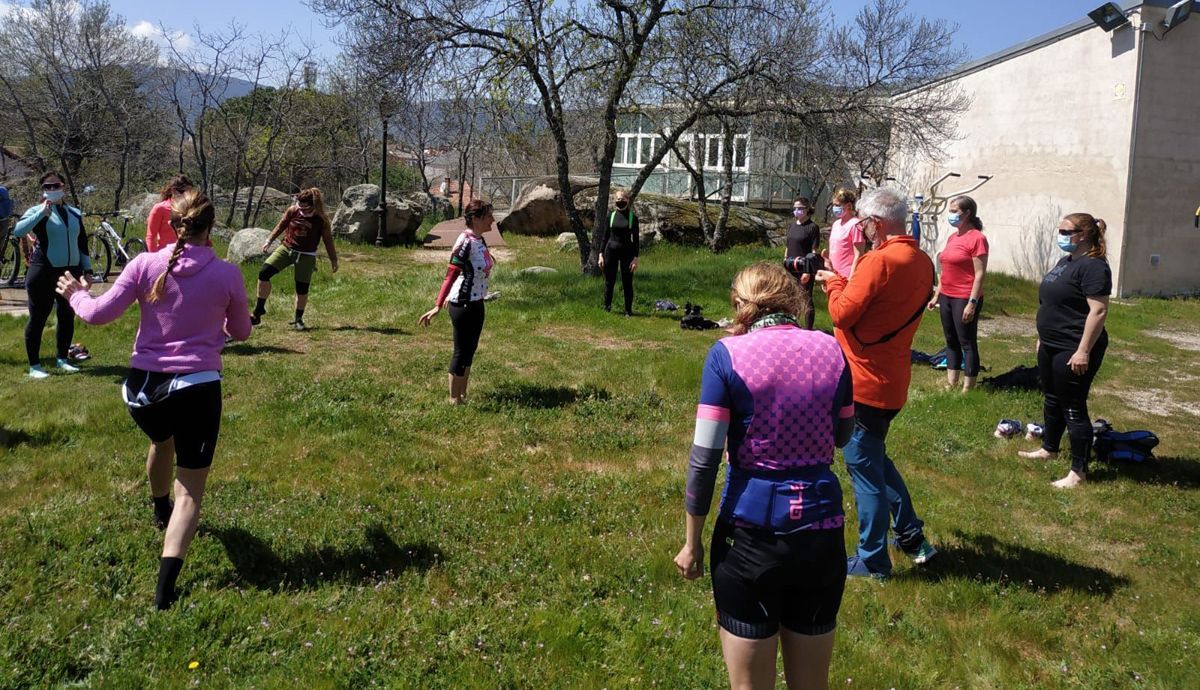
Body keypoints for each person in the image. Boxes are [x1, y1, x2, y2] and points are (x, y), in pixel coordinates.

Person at [56, 189, 252, 609]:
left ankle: (158, 508)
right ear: (211, 227)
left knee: (161, 441)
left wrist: (75, 292)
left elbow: (96, 314)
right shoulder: (227, 274)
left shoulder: (143, 264)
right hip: (196, 387)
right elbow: (242, 332)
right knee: (192, 491)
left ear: (171, 223)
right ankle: (164, 592)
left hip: (143, 391)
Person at [674, 262, 853, 690]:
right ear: (791, 301)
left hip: (750, 536)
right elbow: (844, 435)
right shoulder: (831, 349)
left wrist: (691, 542)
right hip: (820, 532)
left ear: (739, 305)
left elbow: (704, 459)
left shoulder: (726, 355)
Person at [814, 187, 936, 579]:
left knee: (864, 472)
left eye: (864, 223)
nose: (861, 230)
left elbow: (841, 315)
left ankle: (872, 559)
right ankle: (912, 535)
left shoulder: (877, 261)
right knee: (876, 460)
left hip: (863, 382)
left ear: (877, 223)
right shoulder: (922, 261)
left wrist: (833, 283)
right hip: (893, 380)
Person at [1018, 213, 1111, 489]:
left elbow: (1099, 310)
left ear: (1082, 235)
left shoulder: (1094, 267)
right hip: (1051, 344)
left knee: (1072, 404)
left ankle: (1078, 472)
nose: (1060, 234)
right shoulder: (1066, 262)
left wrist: (1083, 350)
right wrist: (1042, 337)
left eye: (1065, 230)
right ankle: (1049, 448)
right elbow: (1052, 302)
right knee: (1051, 398)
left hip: (1074, 347)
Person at [12, 171, 91, 379]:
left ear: (63, 186)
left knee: (66, 315)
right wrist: (41, 213)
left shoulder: (75, 213)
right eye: (48, 187)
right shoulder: (37, 211)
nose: (53, 190)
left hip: (70, 273)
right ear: (43, 190)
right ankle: (35, 366)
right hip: (43, 272)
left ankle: (62, 359)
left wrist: (88, 271)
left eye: (56, 186)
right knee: (38, 318)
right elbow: (18, 231)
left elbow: (82, 243)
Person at [419, 200, 496, 404]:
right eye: (489, 216)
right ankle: (454, 400)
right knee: (461, 351)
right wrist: (438, 304)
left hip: (477, 302)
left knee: (470, 349)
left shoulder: (479, 240)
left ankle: (462, 394)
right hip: (462, 304)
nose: (493, 220)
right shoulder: (465, 243)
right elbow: (451, 275)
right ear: (477, 219)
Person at [251, 188, 338, 331]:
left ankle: (298, 319)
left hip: (307, 255)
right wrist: (269, 240)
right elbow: (281, 225)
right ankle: (258, 311)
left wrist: (333, 260)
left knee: (301, 288)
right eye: (300, 206)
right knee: (264, 273)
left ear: (314, 205)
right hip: (287, 249)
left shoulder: (321, 219)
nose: (302, 210)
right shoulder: (293, 211)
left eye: (306, 208)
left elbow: (328, 240)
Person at [927, 195, 989, 392]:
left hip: (965, 296)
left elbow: (980, 274)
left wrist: (972, 302)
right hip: (947, 296)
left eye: (955, 211)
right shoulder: (953, 238)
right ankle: (951, 382)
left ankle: (968, 388)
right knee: (950, 339)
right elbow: (945, 270)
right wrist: (937, 295)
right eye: (950, 211)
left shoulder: (977, 238)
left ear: (967, 213)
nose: (951, 215)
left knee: (966, 341)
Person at [597, 188, 640, 316]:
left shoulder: (633, 218)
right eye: (618, 199)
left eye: (622, 199)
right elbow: (605, 237)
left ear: (627, 200)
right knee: (609, 281)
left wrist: (635, 258)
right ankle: (607, 308)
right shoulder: (611, 217)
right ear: (614, 201)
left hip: (627, 253)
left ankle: (628, 311)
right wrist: (600, 255)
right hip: (610, 251)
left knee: (627, 282)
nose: (620, 201)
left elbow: (636, 240)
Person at [784, 197, 822, 330]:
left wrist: (807, 271)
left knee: (805, 298)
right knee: (790, 298)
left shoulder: (812, 227)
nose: (797, 211)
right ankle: (792, 325)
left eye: (800, 208)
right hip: (790, 267)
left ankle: (808, 329)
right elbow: (788, 247)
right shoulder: (792, 226)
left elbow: (813, 252)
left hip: (804, 268)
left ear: (807, 209)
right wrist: (785, 262)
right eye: (795, 208)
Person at [146, 174, 194, 252]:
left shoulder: (192, 208)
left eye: (191, 193)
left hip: (186, 256)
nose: (188, 196)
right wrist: (154, 258)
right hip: (164, 256)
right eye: (185, 192)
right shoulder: (160, 208)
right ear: (174, 191)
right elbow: (151, 237)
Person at [826, 188, 865, 278]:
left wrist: (851, 278)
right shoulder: (836, 224)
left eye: (838, 205)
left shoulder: (855, 224)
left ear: (848, 205)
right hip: (833, 274)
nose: (834, 208)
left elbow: (859, 254)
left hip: (847, 276)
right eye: (834, 205)